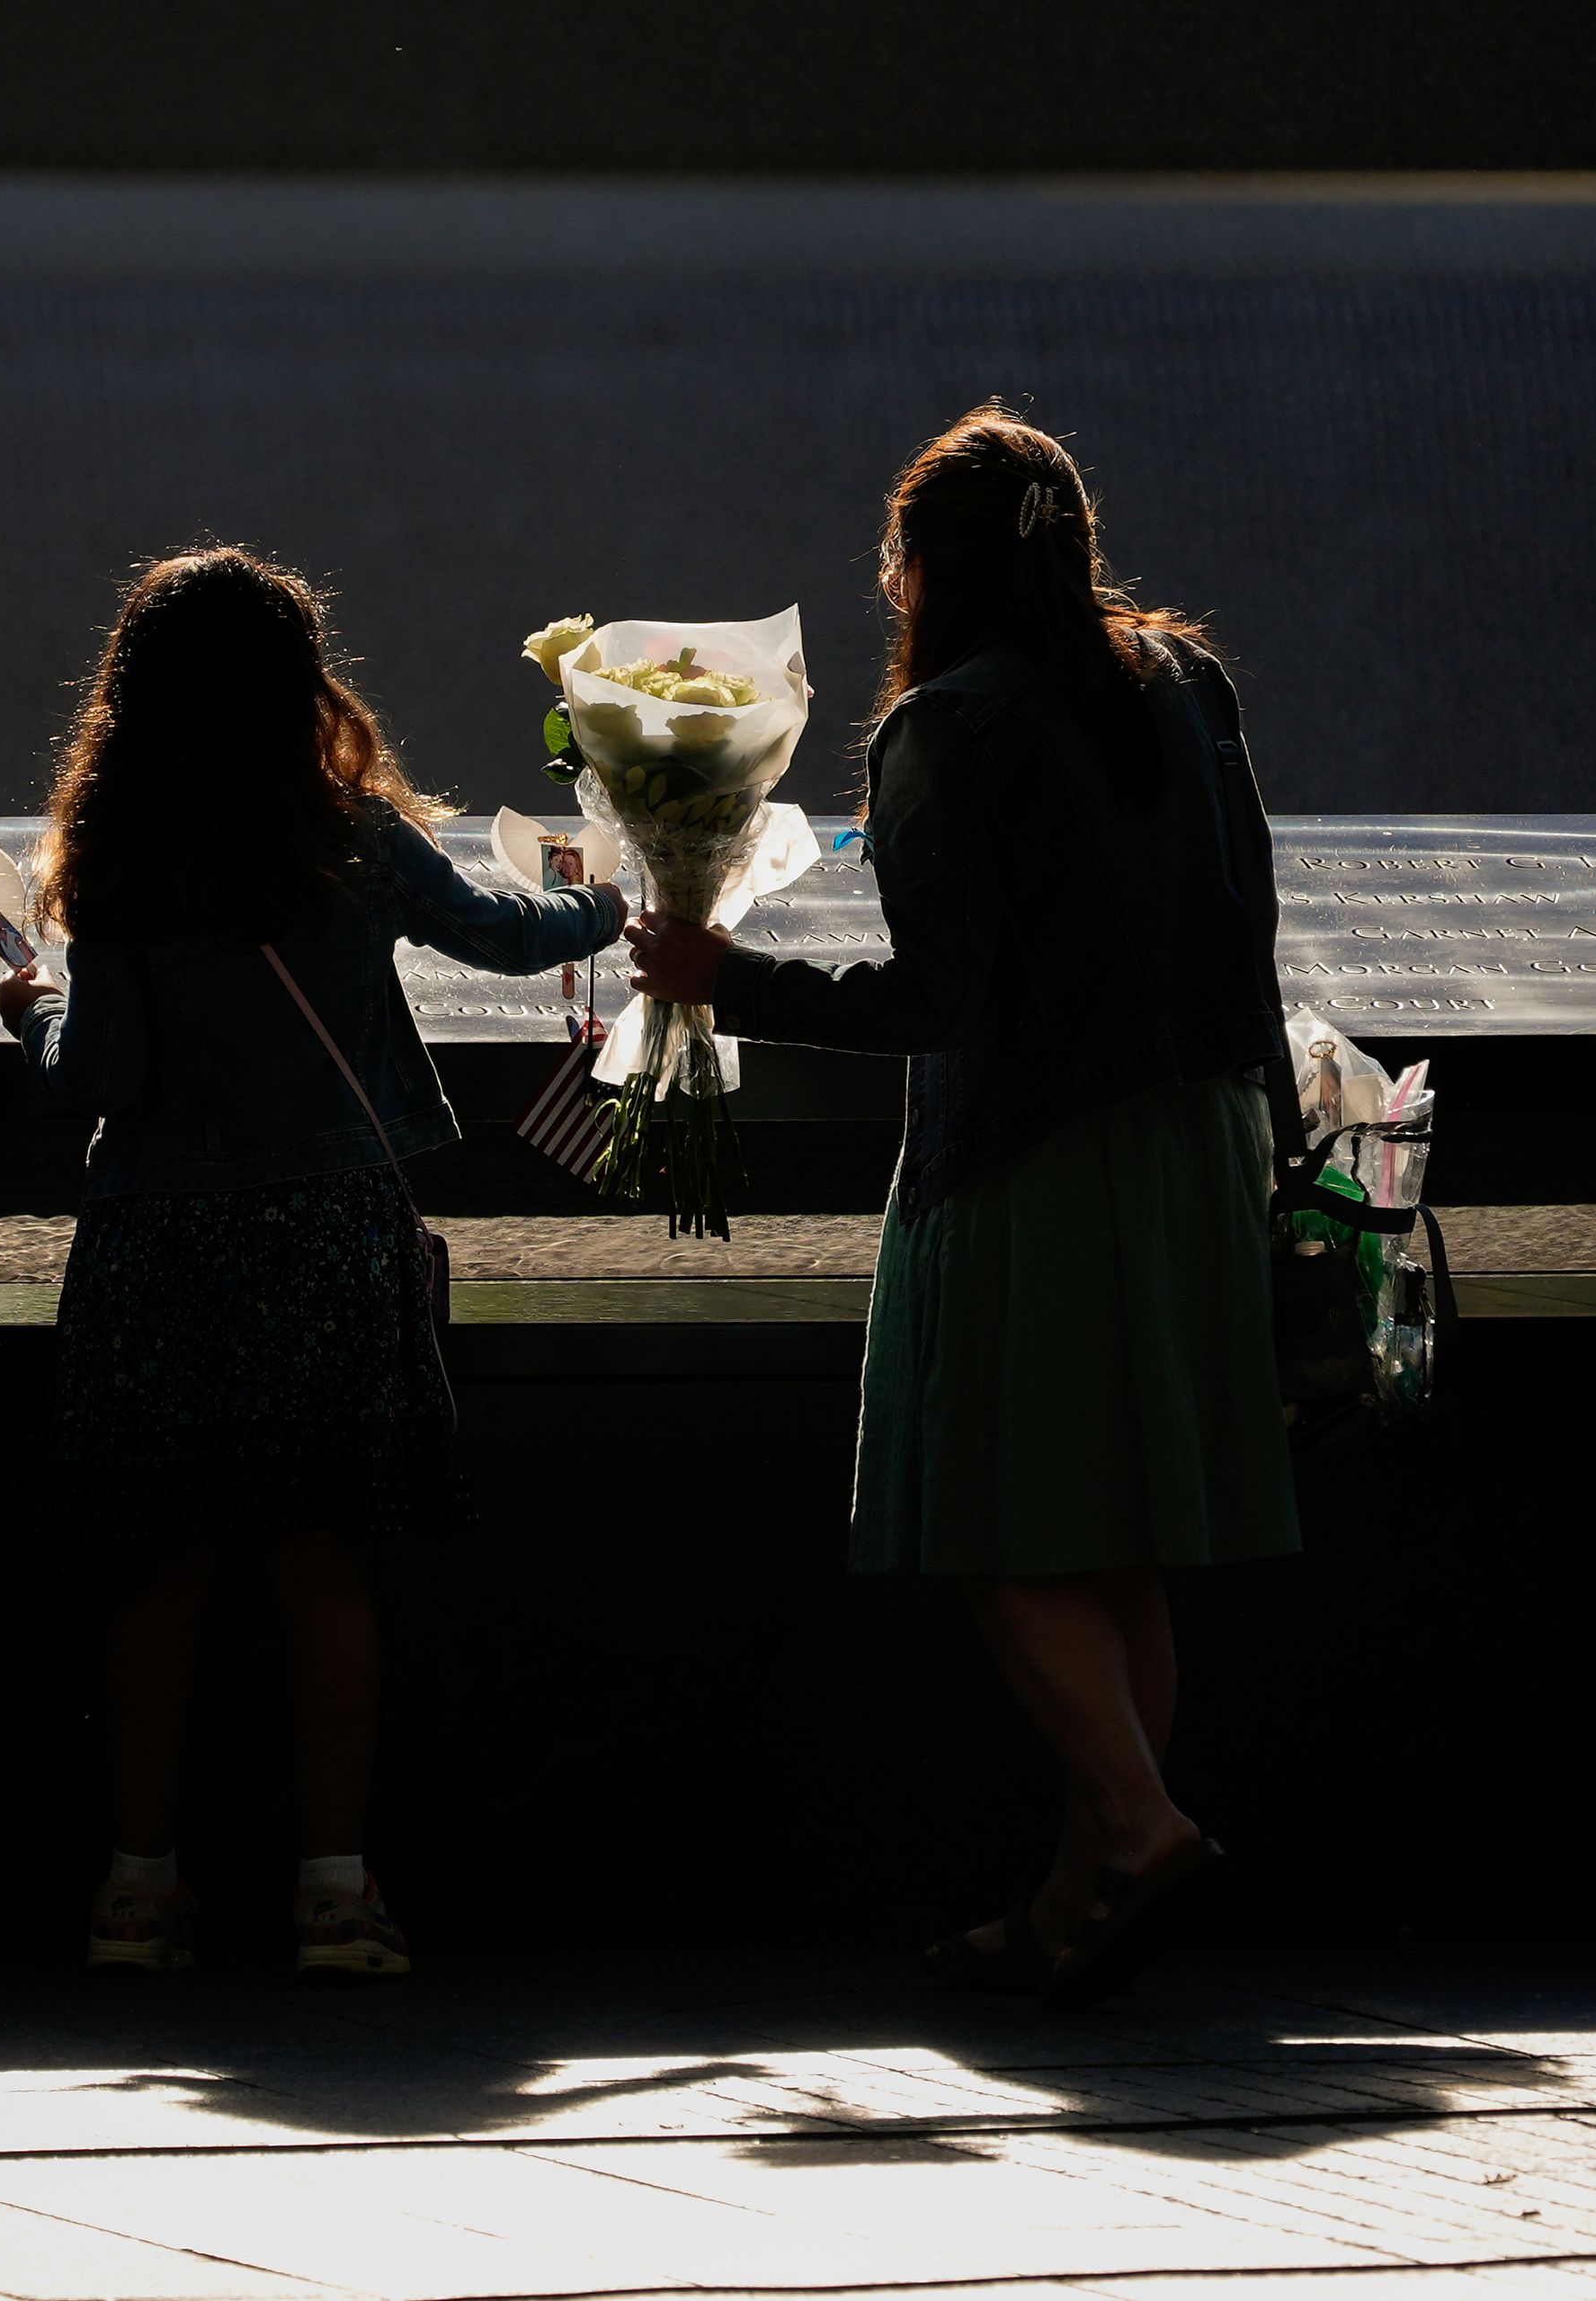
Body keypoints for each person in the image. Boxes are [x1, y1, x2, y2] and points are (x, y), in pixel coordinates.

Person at [625, 406, 1297, 2002]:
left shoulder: (952, 728)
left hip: (1035, 1160)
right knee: (1121, 1543)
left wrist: (729, 977)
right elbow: (1249, 916)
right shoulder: (1181, 687)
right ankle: (1081, 1897)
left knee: (999, 1527)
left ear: (922, 567)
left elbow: (938, 1000)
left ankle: (1138, 1824)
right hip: (1195, 1144)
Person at [0, 545, 622, 1980]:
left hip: (162, 1242)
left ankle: (136, 1894)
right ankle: (335, 1898)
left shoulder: (121, 854)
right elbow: (508, 939)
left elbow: (93, 1075)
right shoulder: (351, 835)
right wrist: (620, 898)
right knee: (321, 1570)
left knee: (164, 1572)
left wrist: (25, 1014)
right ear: (300, 682)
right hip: (329, 1233)